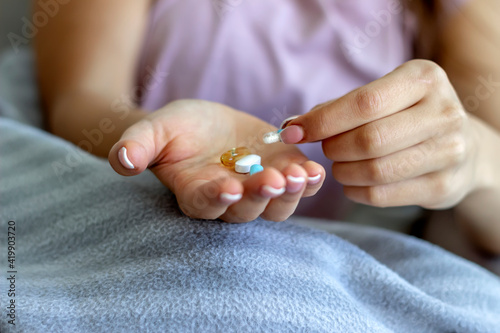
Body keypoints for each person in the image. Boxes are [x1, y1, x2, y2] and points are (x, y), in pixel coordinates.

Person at [34, 0, 500, 254]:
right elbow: (81, 100)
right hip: (142, 229)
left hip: (336, 260)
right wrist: (154, 135)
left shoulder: (455, 12)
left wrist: (474, 161)